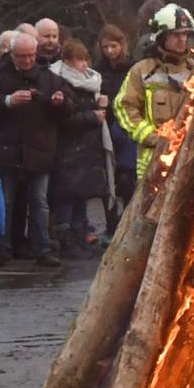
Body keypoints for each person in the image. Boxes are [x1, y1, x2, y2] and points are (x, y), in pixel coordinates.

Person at [0, 31, 66, 268]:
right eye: (21, 57)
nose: (27, 61)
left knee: (39, 201)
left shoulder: (47, 77)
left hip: (38, 149)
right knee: (3, 202)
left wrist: (60, 101)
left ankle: (42, 249)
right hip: (4, 149)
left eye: (30, 56)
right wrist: (7, 101)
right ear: (11, 54)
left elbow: (69, 104)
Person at [116, 5, 194, 184]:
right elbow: (123, 107)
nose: (182, 40)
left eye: (185, 34)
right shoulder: (142, 71)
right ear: (162, 37)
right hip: (153, 165)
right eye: (176, 34)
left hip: (189, 163)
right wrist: (152, 137)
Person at [45, 40, 113, 257]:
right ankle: (67, 242)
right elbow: (63, 118)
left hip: (86, 148)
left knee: (81, 196)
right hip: (68, 148)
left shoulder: (89, 82)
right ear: (67, 61)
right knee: (67, 197)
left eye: (85, 59)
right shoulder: (59, 82)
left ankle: (81, 237)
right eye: (79, 60)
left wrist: (100, 108)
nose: (84, 64)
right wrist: (91, 116)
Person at [91, 23, 138, 222]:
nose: (110, 51)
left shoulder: (132, 68)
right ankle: (110, 224)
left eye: (113, 46)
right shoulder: (97, 70)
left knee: (127, 178)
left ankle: (126, 220)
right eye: (105, 47)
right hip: (105, 126)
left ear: (121, 45)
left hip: (126, 127)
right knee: (107, 179)